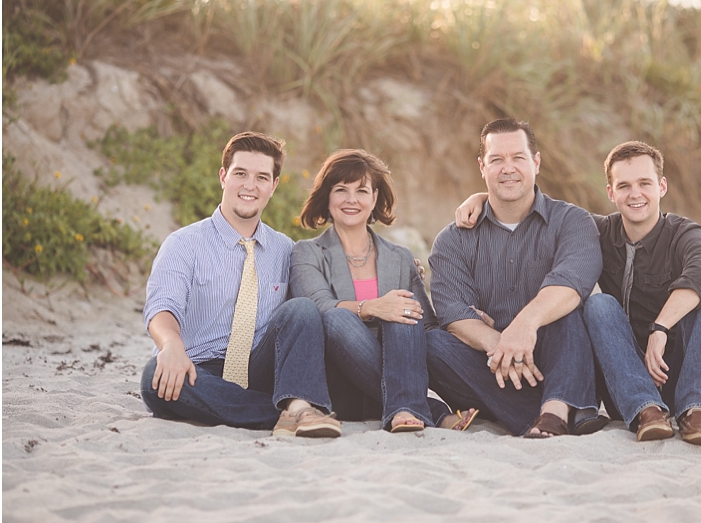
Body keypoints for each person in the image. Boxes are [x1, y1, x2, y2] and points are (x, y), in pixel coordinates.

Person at [140, 131, 341, 438]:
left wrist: (401, 271)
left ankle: (292, 408)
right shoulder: (183, 244)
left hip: (260, 369)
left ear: (273, 186)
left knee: (302, 308)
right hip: (199, 371)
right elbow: (162, 308)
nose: (250, 185)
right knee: (155, 376)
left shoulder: (286, 249)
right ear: (223, 177)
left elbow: (321, 299)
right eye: (240, 174)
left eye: (262, 177)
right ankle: (288, 413)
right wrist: (170, 346)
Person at [427, 119, 604, 438]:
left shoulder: (572, 221)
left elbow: (572, 281)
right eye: (497, 160)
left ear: (535, 162)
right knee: (431, 342)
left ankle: (554, 410)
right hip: (492, 365)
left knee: (565, 307)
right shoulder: (453, 240)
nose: (508, 168)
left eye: (518, 158)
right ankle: (556, 411)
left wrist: (525, 326)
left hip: (559, 353)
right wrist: (502, 344)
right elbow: (453, 311)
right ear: (482, 167)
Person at [290, 149, 478, 433]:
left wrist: (468, 317)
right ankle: (430, 410)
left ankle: (405, 408)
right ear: (327, 197)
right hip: (341, 388)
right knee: (336, 318)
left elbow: (426, 326)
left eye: (362, 191)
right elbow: (317, 307)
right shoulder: (306, 253)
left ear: (375, 198)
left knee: (406, 305)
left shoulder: (401, 257)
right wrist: (371, 307)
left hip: (394, 377)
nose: (352, 200)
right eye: (341, 190)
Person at [583, 141, 701, 446]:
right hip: (626, 384)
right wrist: (482, 198)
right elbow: (543, 216)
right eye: (624, 185)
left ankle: (697, 412)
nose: (635, 193)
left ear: (662, 186)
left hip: (681, 375)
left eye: (644, 183)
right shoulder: (597, 232)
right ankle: (647, 411)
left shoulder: (686, 234)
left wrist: (660, 328)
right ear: (611, 193)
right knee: (598, 304)